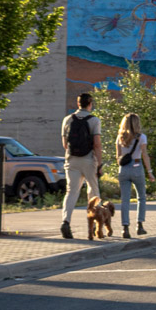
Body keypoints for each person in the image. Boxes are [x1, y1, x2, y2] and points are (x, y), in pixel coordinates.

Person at [60, 93, 102, 239]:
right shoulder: (94, 120)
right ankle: (95, 225)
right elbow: (97, 143)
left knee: (71, 192)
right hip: (89, 160)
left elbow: (65, 144)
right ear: (90, 104)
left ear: (78, 104)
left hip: (71, 160)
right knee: (94, 191)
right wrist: (99, 164)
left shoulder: (67, 119)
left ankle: (65, 221)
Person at [115, 112, 153, 238]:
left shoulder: (120, 137)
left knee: (124, 200)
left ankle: (125, 228)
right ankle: (139, 226)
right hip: (137, 167)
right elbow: (145, 155)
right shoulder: (142, 137)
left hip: (123, 169)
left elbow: (118, 156)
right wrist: (150, 172)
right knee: (141, 197)